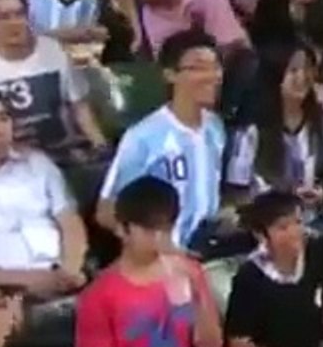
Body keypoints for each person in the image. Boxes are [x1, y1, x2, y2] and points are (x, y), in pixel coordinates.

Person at [96, 30, 228, 249]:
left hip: (208, 246)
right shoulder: (144, 137)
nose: (212, 76)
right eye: (199, 68)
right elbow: (107, 211)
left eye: (215, 67)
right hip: (164, 254)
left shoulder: (215, 127)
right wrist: (159, 247)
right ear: (170, 75)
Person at [75, 176, 223, 347]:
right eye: (149, 231)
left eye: (165, 230)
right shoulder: (99, 295)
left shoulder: (190, 272)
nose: (158, 239)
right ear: (122, 229)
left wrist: (197, 293)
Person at [224, 191, 323, 347]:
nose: (294, 233)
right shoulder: (249, 276)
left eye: (298, 222)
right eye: (283, 227)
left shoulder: (319, 253)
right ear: (261, 235)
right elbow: (239, 342)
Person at [0, 0, 106, 157]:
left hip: (62, 153)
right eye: (3, 17)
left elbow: (80, 107)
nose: (14, 23)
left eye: (19, 14)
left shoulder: (53, 50)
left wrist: (100, 145)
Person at [0, 97, 88, 301]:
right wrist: (28, 281)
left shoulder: (39, 164)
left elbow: (71, 223)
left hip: (61, 279)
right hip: (6, 293)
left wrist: (70, 271)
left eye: (3, 119)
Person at [224, 45, 323, 200]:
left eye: (307, 68)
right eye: (293, 70)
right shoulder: (251, 131)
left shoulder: (320, 125)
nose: (302, 77)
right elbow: (236, 191)